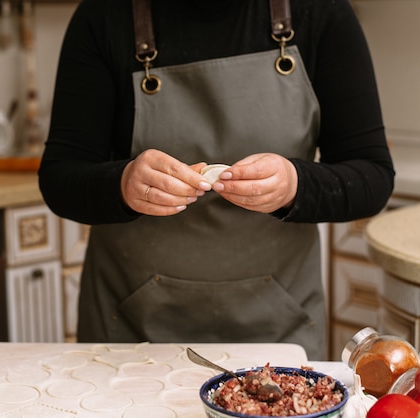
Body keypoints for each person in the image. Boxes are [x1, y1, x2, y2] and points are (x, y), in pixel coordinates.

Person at [38, 0, 394, 360]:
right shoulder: (104, 16)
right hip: (129, 332)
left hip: (278, 332)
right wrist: (122, 183)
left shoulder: (320, 12)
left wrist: (295, 183)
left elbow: (372, 175)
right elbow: (59, 177)